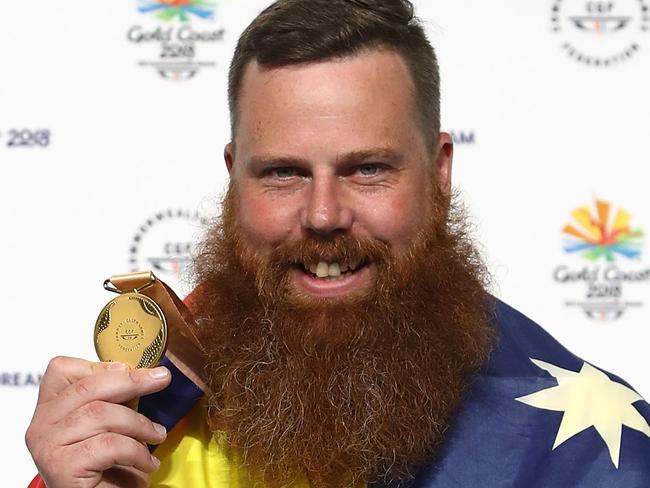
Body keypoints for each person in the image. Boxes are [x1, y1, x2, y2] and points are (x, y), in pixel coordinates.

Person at [25, 1, 650, 487]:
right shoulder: (156, 418)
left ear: (439, 174)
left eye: (367, 169)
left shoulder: (581, 457)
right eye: (283, 172)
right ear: (234, 177)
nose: (323, 214)